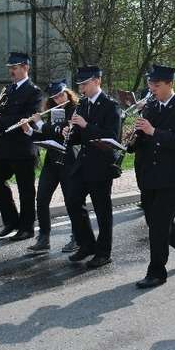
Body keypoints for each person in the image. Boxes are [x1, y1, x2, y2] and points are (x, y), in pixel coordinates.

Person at [127, 65, 175, 289]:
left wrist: (152, 131)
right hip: (147, 174)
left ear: (169, 84)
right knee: (153, 221)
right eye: (150, 85)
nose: (152, 89)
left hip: (169, 176)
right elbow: (143, 139)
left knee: (157, 226)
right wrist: (133, 139)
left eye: (156, 85)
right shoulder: (150, 107)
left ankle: (157, 272)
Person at [63, 66, 122, 268]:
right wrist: (69, 135)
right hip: (84, 162)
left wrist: (86, 126)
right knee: (72, 201)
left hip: (101, 164)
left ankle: (104, 252)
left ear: (97, 81)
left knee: (102, 209)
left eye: (85, 84)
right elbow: (79, 137)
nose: (82, 88)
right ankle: (87, 244)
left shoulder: (110, 105)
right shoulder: (83, 104)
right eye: (80, 85)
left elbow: (111, 137)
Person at [0, 52, 43, 241]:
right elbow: (0, 114)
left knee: (25, 190)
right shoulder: (8, 89)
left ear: (26, 68)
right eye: (10, 68)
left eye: (15, 67)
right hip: (3, 147)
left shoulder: (34, 92)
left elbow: (27, 118)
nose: (11, 71)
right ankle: (11, 221)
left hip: (22, 148)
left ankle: (27, 228)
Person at [22, 80, 80, 252]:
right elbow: (48, 135)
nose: (59, 99)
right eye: (55, 97)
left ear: (67, 92)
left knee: (72, 201)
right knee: (41, 198)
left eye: (61, 95)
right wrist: (29, 130)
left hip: (69, 160)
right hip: (52, 161)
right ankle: (44, 238)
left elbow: (59, 131)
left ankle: (77, 237)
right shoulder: (54, 110)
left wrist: (40, 124)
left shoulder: (75, 109)